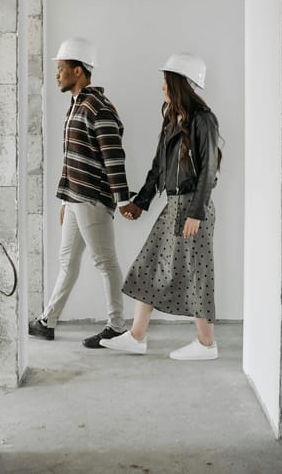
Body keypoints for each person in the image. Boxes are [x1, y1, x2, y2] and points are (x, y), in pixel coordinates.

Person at [102, 53, 222, 360]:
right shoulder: (172, 119)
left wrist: (196, 212)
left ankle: (206, 344)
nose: (162, 87)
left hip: (193, 207)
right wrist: (140, 203)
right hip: (174, 206)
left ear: (178, 83)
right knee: (149, 265)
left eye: (166, 81)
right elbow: (158, 167)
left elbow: (209, 169)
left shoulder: (203, 119)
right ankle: (136, 336)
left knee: (196, 273)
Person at [28, 37, 135, 348]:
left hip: (92, 199)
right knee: (68, 261)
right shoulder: (77, 105)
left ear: (78, 71)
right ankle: (48, 321)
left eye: (61, 69)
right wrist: (65, 198)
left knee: (105, 261)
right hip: (76, 198)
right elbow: (72, 157)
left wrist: (122, 199)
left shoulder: (98, 107)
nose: (57, 75)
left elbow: (114, 156)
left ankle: (117, 326)